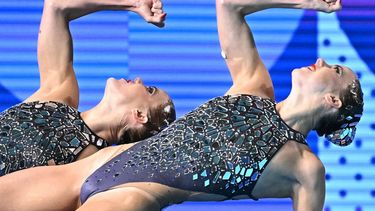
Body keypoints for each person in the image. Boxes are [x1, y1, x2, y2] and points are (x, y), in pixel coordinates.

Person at [0, 0, 364, 210]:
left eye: (334, 69)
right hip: (90, 167)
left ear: (332, 100)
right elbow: (230, 4)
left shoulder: (306, 168)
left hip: (132, 195)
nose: (319, 61)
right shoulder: (253, 88)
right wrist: (305, 2)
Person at [0, 0, 175, 176]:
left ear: (140, 115)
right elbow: (56, 6)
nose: (139, 79)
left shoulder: (89, 172)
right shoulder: (58, 94)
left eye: (150, 90)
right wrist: (134, 4)